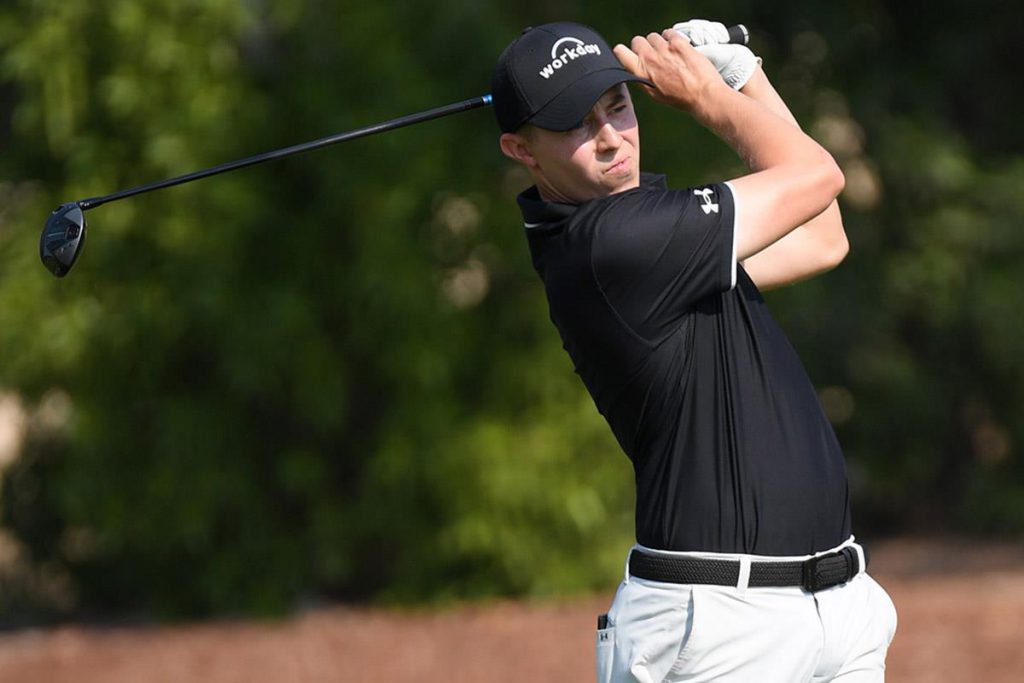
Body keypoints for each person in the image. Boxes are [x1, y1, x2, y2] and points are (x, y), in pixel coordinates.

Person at [491, 19, 897, 683]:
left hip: (835, 612)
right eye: (574, 124)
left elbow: (824, 235)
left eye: (616, 106)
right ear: (521, 147)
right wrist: (712, 94)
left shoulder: (656, 235)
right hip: (719, 631)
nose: (609, 139)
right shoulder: (609, 246)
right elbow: (818, 175)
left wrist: (746, 75)